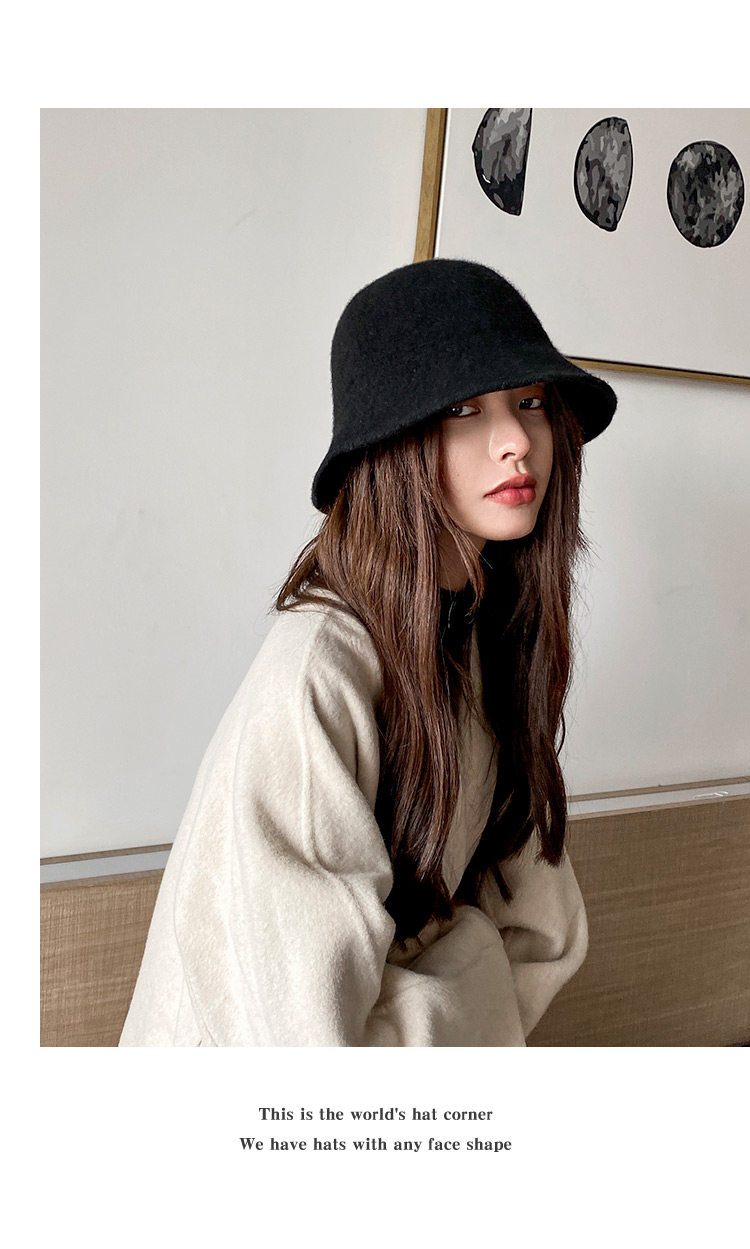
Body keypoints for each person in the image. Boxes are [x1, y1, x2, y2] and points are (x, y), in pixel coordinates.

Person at [119, 257, 617, 1047]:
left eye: (529, 402)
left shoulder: (486, 639)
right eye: (464, 409)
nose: (517, 441)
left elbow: (544, 931)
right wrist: (468, 979)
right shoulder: (317, 673)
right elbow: (304, 1041)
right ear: (390, 448)